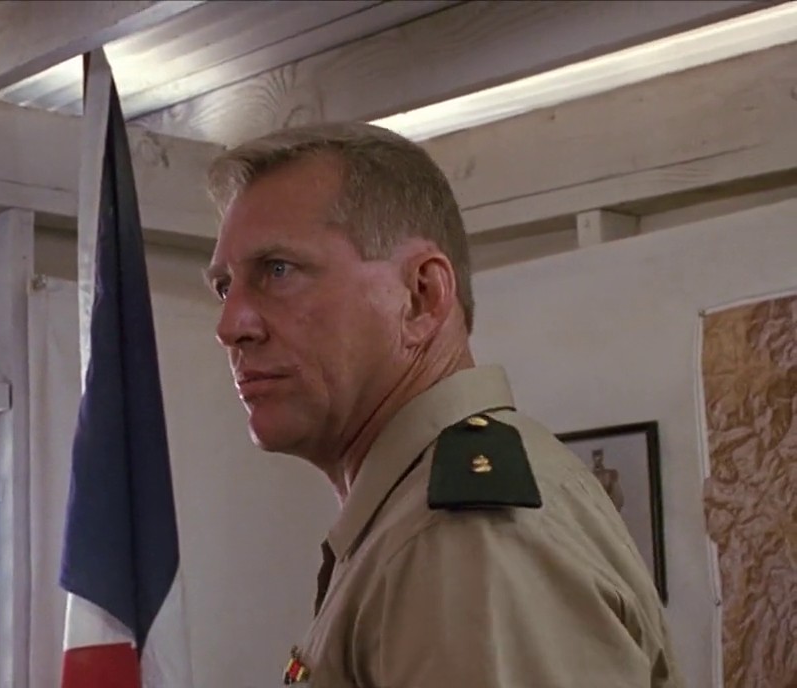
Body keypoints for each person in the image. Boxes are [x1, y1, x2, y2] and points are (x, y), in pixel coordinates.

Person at [202, 122, 682, 687]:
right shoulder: (417, 520)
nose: (230, 326)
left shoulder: (458, 540)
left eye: (278, 271)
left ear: (421, 297)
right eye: (224, 287)